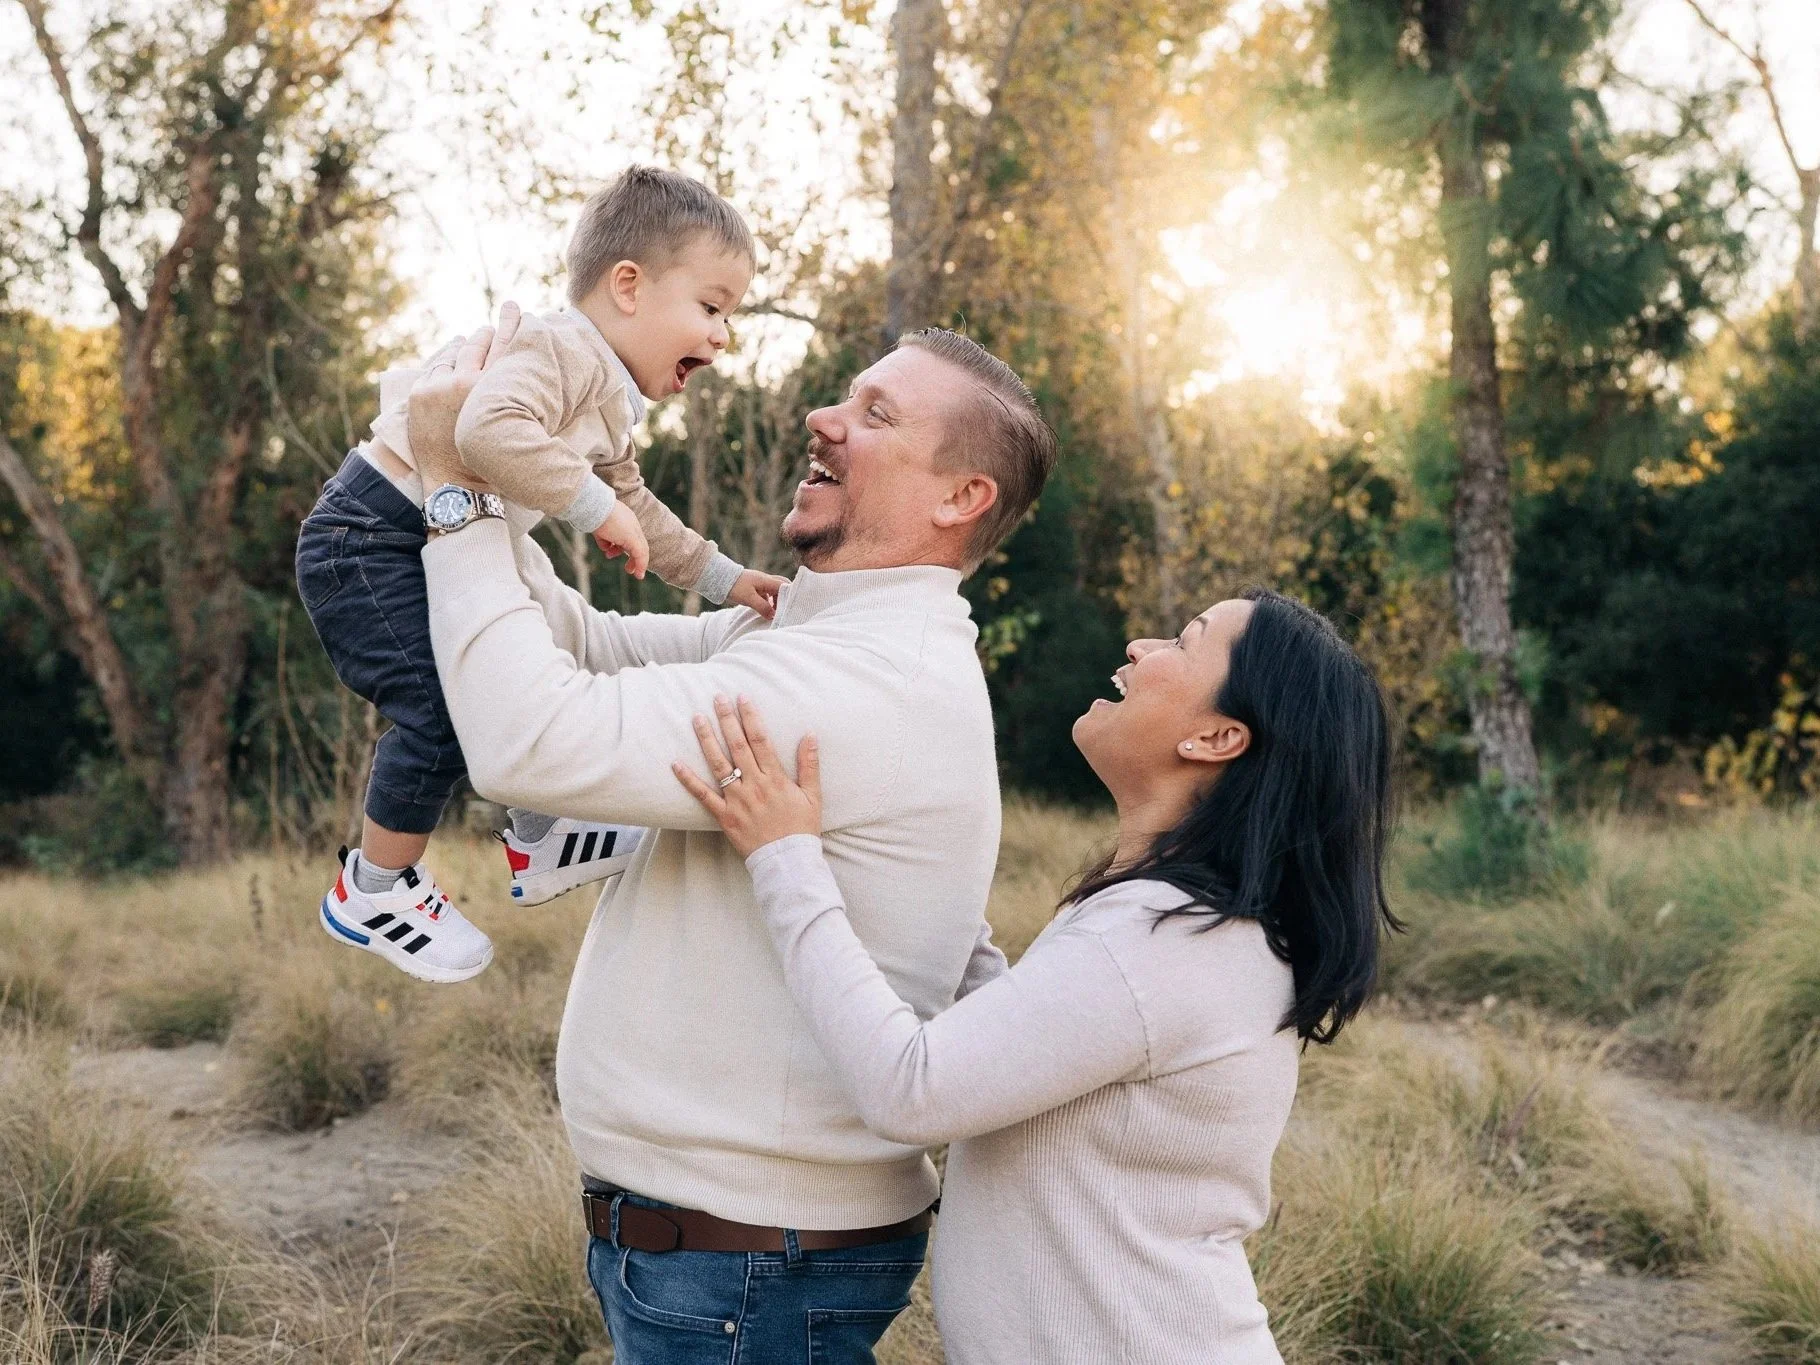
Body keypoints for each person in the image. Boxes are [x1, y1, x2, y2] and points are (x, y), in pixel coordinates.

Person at [405, 311, 1059, 1362]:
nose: (822, 417)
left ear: (958, 496)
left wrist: (453, 498)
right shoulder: (811, 633)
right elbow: (580, 643)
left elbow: (528, 737)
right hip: (728, 1258)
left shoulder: (858, 680)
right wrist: (485, 465)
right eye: (846, 395)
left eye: (873, 414)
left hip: (747, 1272)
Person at [679, 589, 1399, 1364]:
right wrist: (928, 882)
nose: (1141, 646)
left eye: (1184, 644)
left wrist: (786, 859)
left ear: (1217, 736)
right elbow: (1028, 1046)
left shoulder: (1165, 940)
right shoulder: (1184, 925)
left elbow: (911, 1087)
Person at [294, 167, 787, 983]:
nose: (724, 334)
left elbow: (644, 514)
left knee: (504, 667)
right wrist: (596, 507)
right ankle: (372, 888)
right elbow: (486, 428)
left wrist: (729, 580)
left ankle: (538, 834)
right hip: (366, 537)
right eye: (710, 307)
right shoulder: (560, 347)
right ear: (627, 285)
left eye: (729, 314)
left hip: (402, 536)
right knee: (441, 713)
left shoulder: (605, 398)